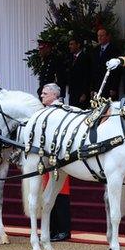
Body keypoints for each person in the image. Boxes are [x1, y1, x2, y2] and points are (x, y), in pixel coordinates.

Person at [39, 83, 72, 241]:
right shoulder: (46, 110)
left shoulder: (60, 110)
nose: (42, 96)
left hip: (58, 159)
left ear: (54, 95)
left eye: (45, 93)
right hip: (47, 159)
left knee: (60, 195)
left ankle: (63, 230)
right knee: (49, 194)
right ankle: (52, 230)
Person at [90, 28, 120, 99]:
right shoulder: (95, 50)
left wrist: (114, 88)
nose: (99, 38)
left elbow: (117, 71)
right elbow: (93, 69)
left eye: (102, 36)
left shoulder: (114, 50)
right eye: (98, 36)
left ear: (108, 36)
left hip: (109, 86)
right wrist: (92, 88)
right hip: (97, 86)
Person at [66, 38, 92, 109]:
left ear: (78, 45)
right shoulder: (71, 58)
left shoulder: (85, 57)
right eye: (69, 44)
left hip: (81, 93)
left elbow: (87, 76)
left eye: (72, 44)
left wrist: (84, 93)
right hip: (72, 92)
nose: (70, 46)